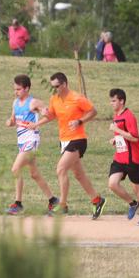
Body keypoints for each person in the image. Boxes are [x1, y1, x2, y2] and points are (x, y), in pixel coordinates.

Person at [37, 72, 106, 219]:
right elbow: (51, 116)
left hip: (78, 139)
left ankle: (62, 205)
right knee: (79, 175)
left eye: (57, 86)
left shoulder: (77, 98)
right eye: (53, 87)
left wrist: (80, 121)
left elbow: (93, 112)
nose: (55, 89)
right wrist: (36, 123)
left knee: (61, 169)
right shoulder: (54, 99)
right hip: (64, 140)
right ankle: (97, 200)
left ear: (65, 84)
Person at [5, 74, 59, 215]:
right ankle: (53, 200)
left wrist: (37, 122)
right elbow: (13, 120)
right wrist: (10, 122)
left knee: (15, 169)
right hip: (21, 141)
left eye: (18, 89)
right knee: (34, 174)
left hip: (31, 140)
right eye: (15, 89)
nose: (15, 92)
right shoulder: (15, 103)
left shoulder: (33, 102)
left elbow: (49, 115)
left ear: (27, 88)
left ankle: (18, 204)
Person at [107, 88, 139, 225]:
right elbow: (123, 135)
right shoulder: (116, 115)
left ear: (121, 101)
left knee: (136, 187)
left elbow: (134, 138)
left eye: (114, 100)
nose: (112, 103)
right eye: (110, 101)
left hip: (133, 158)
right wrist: (115, 139)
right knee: (112, 184)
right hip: (120, 157)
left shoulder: (129, 116)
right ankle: (133, 203)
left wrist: (116, 130)